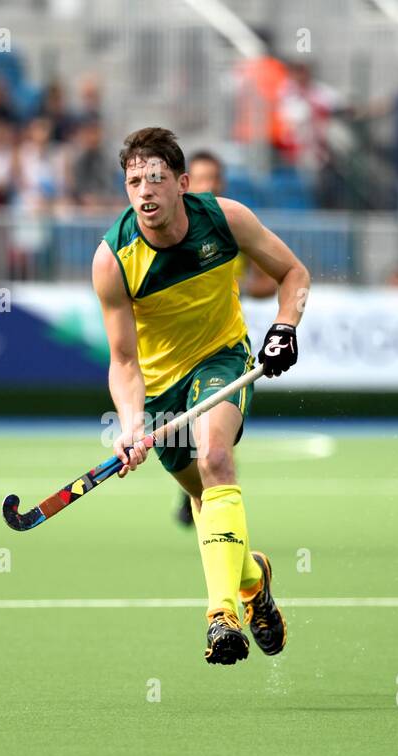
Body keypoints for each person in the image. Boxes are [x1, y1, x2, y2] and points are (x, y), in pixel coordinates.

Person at [93, 127, 309, 665]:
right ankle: (254, 580)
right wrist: (131, 424)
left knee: (216, 458)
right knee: (205, 501)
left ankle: (221, 617)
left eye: (156, 179)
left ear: (182, 184)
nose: (144, 191)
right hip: (164, 388)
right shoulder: (113, 260)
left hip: (221, 360)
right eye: (134, 181)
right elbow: (123, 361)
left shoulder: (224, 218)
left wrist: (285, 326)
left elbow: (293, 273)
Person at [167, 149, 277, 528]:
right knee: (178, 435)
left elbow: (269, 281)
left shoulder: (230, 225)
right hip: (173, 354)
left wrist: (240, 287)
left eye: (214, 178)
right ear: (185, 183)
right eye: (201, 178)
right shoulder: (170, 232)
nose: (208, 186)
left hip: (220, 345)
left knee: (214, 441)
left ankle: (210, 495)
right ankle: (197, 492)